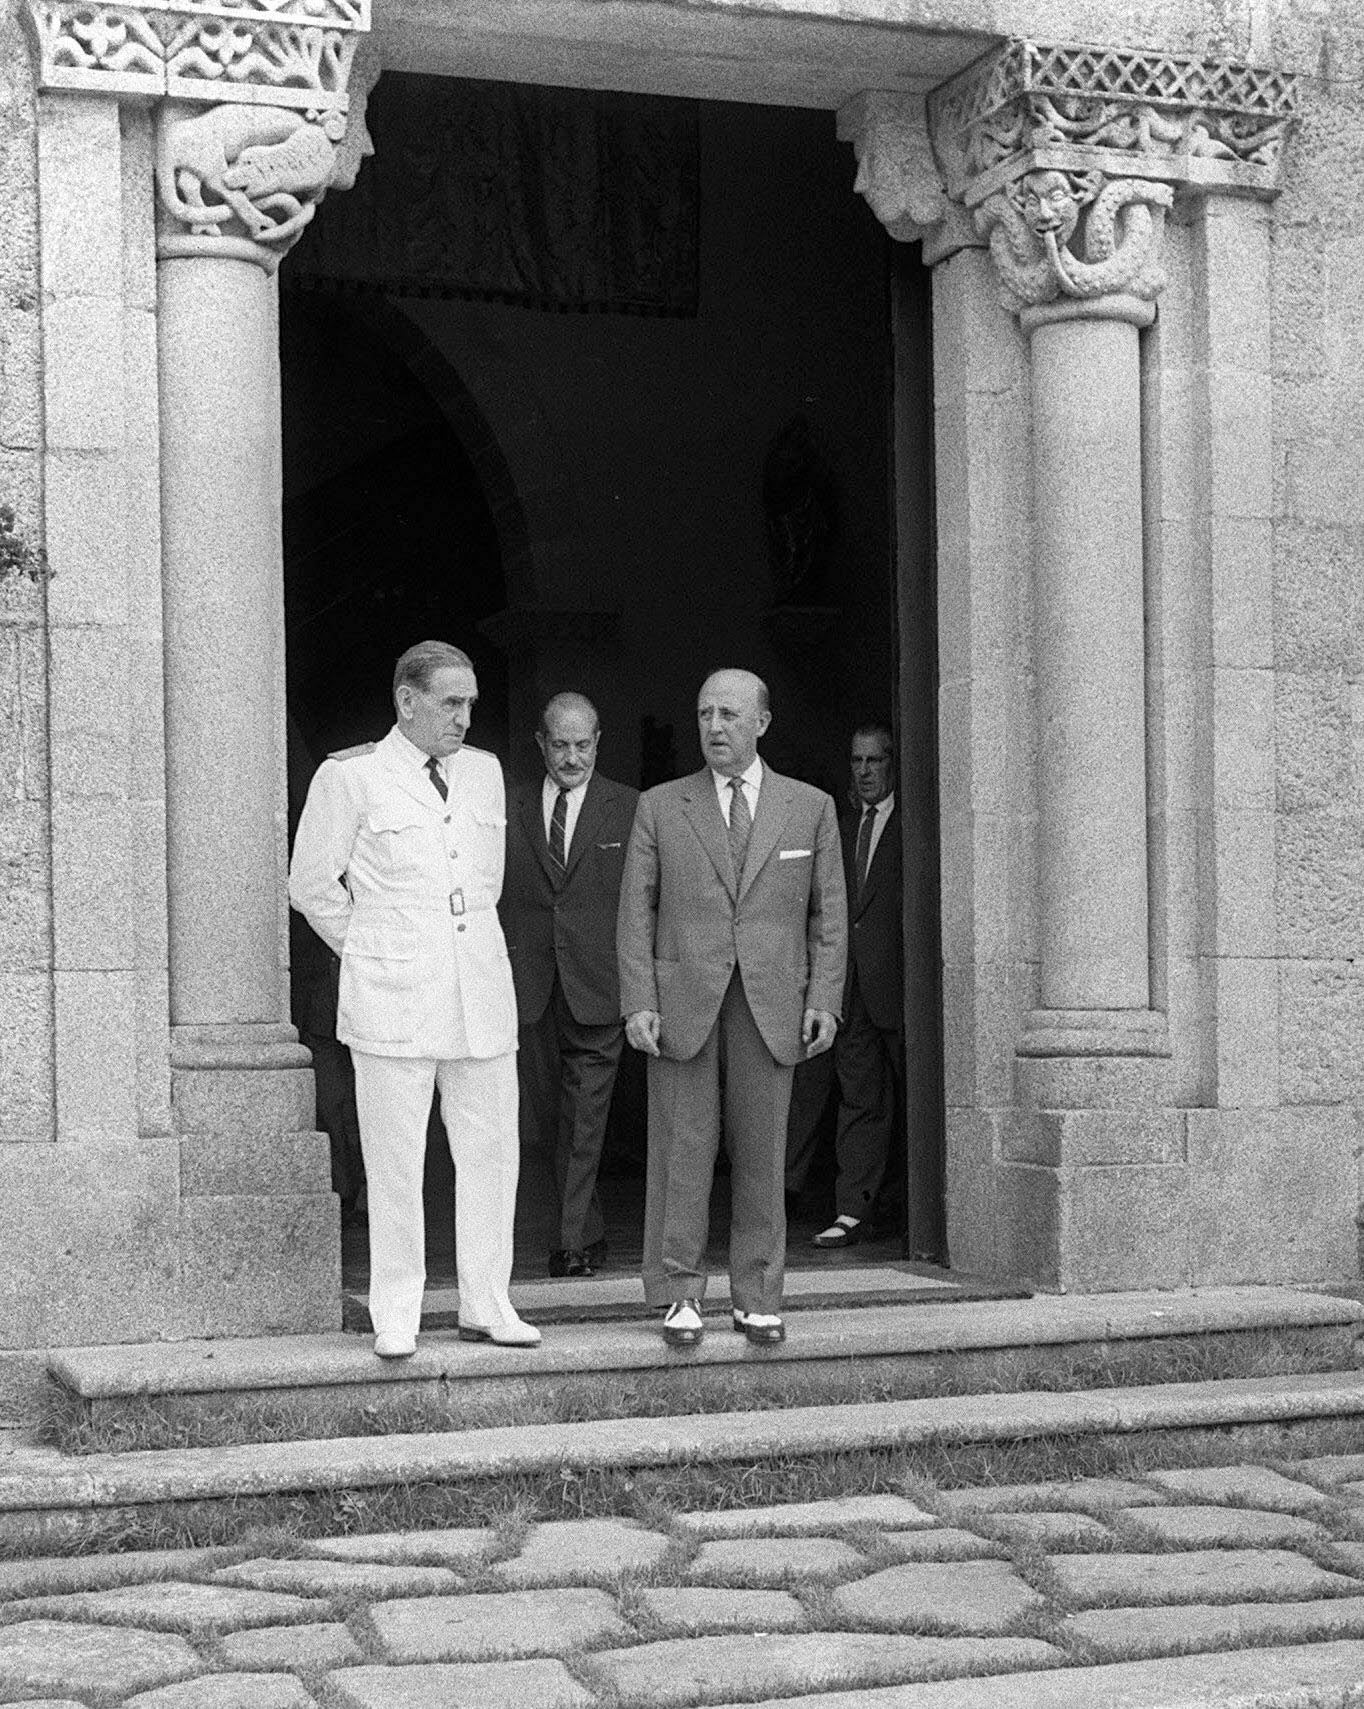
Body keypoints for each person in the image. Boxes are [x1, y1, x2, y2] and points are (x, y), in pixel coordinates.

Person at [288, 640, 540, 1358]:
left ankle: (487, 1301)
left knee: (492, 1155)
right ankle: (395, 1309)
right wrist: (373, 947)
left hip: (479, 990)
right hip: (393, 995)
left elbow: (485, 884)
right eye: (450, 703)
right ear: (407, 700)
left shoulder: (484, 773)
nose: (465, 718)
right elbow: (310, 884)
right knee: (396, 1160)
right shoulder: (352, 776)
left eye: (471, 704)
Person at [617, 668, 847, 1347]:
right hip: (682, 996)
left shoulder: (810, 807)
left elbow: (829, 916)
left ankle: (759, 1296)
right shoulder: (661, 805)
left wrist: (825, 998)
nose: (714, 727)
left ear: (762, 723)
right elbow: (636, 911)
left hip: (773, 999)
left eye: (729, 715)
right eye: (704, 714)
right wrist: (638, 1000)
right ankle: (679, 1292)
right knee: (681, 1146)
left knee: (764, 1151)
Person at [500, 692, 639, 1277]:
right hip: (528, 984)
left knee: (585, 1116)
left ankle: (571, 1241)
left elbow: (645, 903)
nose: (572, 758)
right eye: (560, 745)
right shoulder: (507, 805)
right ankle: (587, 1225)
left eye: (583, 745)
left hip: (599, 985)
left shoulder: (630, 808)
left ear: (598, 743)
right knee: (545, 1119)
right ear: (541, 743)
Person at [813, 723, 904, 1248]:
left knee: (912, 1101)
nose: (865, 771)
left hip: (903, 989)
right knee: (859, 1099)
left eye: (875, 761)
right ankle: (853, 1210)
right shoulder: (841, 828)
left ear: (893, 762)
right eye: (857, 761)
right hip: (852, 990)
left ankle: (911, 1206)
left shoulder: (915, 825)